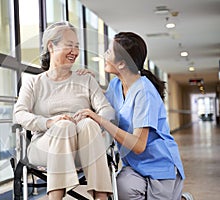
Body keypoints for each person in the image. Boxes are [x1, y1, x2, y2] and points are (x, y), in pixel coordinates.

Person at [74, 32, 187, 200]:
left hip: (160, 168)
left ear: (121, 63)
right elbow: (102, 106)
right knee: (122, 188)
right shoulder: (116, 84)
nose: (104, 55)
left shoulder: (144, 92)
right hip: (135, 166)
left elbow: (139, 145)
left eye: (108, 52)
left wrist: (100, 120)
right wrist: (90, 82)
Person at [13, 21, 115, 200]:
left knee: (89, 123)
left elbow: (108, 111)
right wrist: (49, 122)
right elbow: (19, 114)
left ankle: (101, 197)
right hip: (45, 146)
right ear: (51, 46)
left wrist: (94, 117)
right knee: (63, 126)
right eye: (69, 45)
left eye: (77, 46)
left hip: (84, 146)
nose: (75, 51)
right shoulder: (34, 82)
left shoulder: (86, 80)